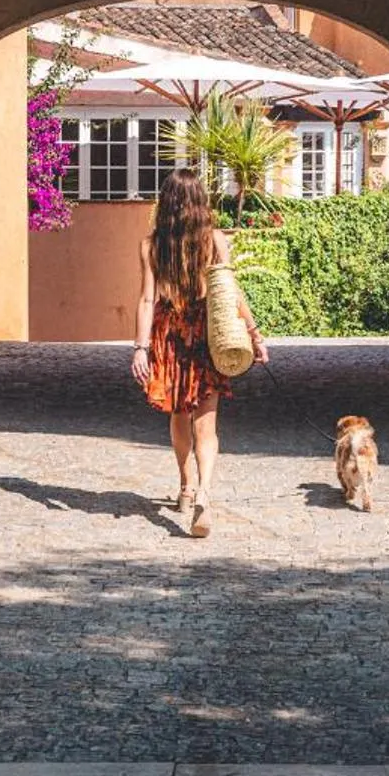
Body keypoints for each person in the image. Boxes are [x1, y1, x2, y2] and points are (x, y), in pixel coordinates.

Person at [130, 167, 267, 538]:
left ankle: (187, 485)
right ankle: (204, 491)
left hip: (171, 336)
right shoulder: (215, 240)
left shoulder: (151, 244)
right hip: (207, 335)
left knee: (179, 414)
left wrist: (140, 349)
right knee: (207, 422)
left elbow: (147, 300)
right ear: (199, 203)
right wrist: (254, 335)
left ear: (167, 202)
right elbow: (229, 293)